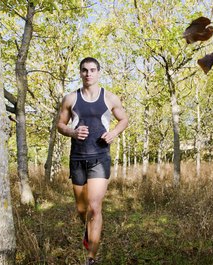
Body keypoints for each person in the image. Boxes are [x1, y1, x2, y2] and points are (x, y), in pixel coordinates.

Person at [57, 57, 128, 265]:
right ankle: (88, 233)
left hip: (100, 157)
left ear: (98, 72)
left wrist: (114, 132)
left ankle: (91, 258)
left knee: (95, 207)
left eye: (92, 70)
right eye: (85, 70)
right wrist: (72, 131)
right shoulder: (70, 99)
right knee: (82, 209)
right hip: (78, 158)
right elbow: (60, 125)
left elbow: (124, 119)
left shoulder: (110, 98)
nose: (88, 74)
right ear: (80, 73)